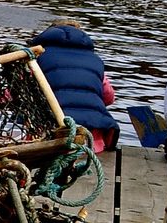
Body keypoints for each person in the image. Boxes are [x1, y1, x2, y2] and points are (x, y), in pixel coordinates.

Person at [32, 19, 118, 151]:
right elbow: (109, 98)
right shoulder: (95, 60)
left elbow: (15, 93)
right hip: (91, 143)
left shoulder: (37, 58)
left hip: (48, 140)